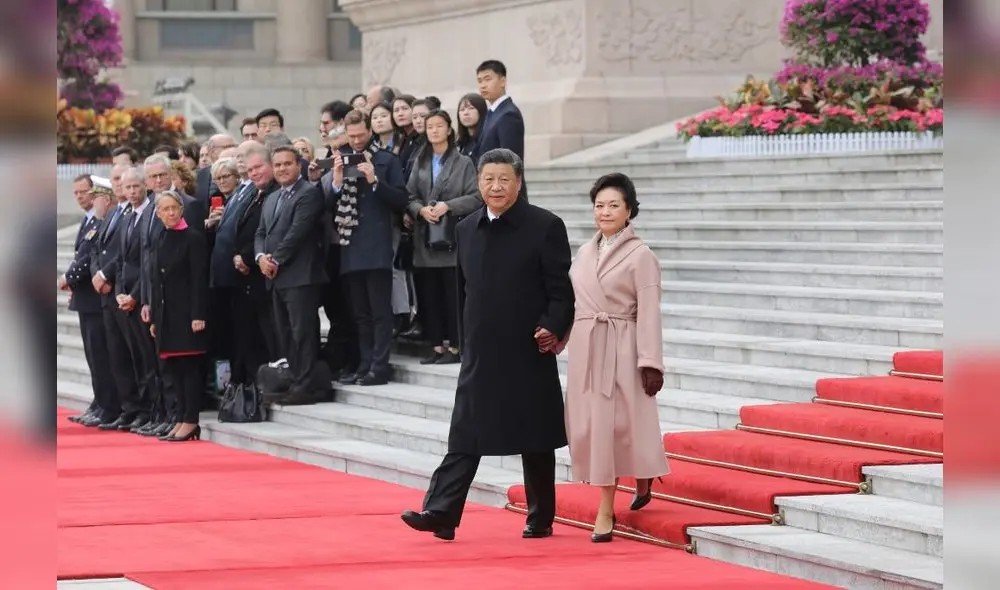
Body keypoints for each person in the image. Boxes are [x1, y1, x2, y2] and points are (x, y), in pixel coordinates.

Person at [400, 148, 575, 541]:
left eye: (504, 180)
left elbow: (561, 292)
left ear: (518, 182)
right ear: (478, 182)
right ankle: (441, 512)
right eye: (488, 180)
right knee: (465, 431)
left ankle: (540, 516)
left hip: (529, 347)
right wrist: (465, 344)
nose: (495, 187)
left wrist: (552, 326)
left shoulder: (545, 226)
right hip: (480, 350)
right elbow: (464, 292)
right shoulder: (466, 228)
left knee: (535, 435)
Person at [556, 173, 668, 543]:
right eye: (599, 205)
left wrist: (650, 362)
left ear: (630, 211)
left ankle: (606, 508)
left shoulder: (642, 256)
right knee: (591, 425)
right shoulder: (585, 252)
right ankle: (642, 471)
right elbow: (576, 303)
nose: (604, 212)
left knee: (616, 425)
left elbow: (650, 310)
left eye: (613, 205)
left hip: (623, 346)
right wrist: (559, 337)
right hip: (588, 348)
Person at [405, 109, 482, 364]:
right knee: (429, 295)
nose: (434, 131)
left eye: (439, 126)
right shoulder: (421, 161)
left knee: (452, 296)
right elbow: (410, 195)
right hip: (425, 237)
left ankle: (455, 346)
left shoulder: (463, 162)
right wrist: (420, 210)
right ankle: (436, 346)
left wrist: (448, 206)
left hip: (451, 238)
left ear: (449, 129)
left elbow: (475, 196)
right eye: (430, 127)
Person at [254, 145, 329, 404]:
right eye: (278, 165)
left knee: (303, 333)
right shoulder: (272, 197)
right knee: (284, 333)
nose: (282, 169)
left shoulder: (307, 194)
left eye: (287, 164)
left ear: (299, 165)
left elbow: (298, 233)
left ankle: (306, 385)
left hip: (301, 275)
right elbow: (261, 233)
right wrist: (260, 258)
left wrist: (274, 259)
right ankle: (295, 380)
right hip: (275, 277)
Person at [148, 190, 209, 442]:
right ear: (158, 213)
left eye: (175, 208)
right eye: (165, 209)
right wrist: (154, 316)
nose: (171, 213)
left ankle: (191, 419)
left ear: (181, 209)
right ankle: (180, 417)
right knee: (174, 369)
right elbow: (155, 280)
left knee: (189, 369)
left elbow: (199, 279)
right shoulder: (160, 236)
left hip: (187, 315)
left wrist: (198, 314)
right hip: (166, 316)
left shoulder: (192, 237)